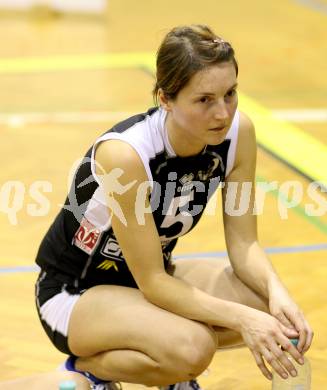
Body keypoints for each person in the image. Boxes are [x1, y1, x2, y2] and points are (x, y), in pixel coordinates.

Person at [35, 24, 313, 390]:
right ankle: (92, 370)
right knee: (194, 349)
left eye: (230, 94)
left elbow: (244, 244)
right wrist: (243, 320)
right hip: (76, 292)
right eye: (204, 100)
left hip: (149, 281)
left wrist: (278, 292)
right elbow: (153, 282)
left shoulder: (238, 134)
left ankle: (166, 359)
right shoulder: (125, 154)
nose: (222, 113)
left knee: (270, 311)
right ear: (166, 99)